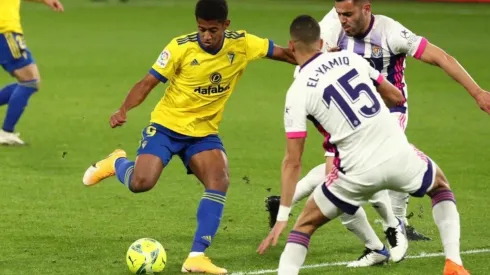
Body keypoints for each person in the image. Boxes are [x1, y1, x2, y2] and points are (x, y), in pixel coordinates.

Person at [265, 0, 490, 266]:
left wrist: (477, 92)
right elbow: (304, 56)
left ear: (366, 9)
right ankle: (379, 242)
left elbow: (439, 57)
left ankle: (396, 223)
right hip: (346, 116)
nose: (342, 19)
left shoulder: (390, 32)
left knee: (365, 164)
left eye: (348, 14)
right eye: (339, 14)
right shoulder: (334, 26)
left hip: (388, 111)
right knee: (337, 174)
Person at [82, 0, 296, 273]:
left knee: (219, 180)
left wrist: (319, 59)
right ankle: (116, 163)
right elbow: (147, 82)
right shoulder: (180, 47)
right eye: (201, 29)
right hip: (166, 127)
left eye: (213, 30)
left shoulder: (242, 43)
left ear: (225, 26)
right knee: (141, 183)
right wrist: (123, 109)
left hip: (203, 133)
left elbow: (285, 54)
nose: (206, 36)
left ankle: (196, 256)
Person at [0, 0, 64, 145]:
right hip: (5, 32)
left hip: (6, 32)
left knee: (29, 82)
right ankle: (6, 132)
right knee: (30, 82)